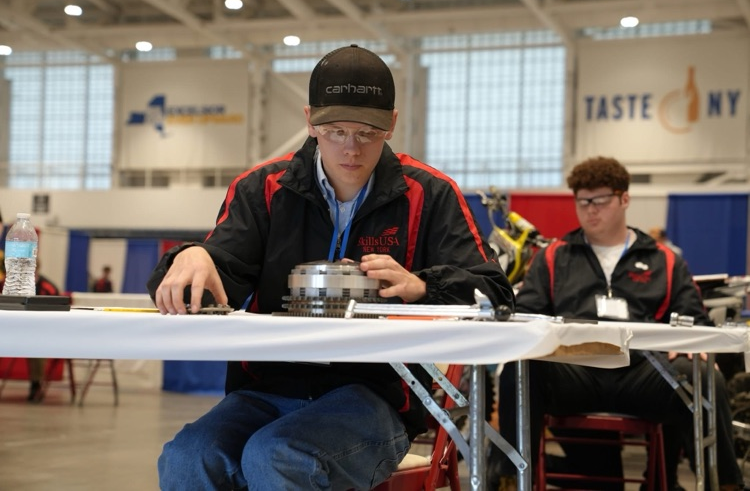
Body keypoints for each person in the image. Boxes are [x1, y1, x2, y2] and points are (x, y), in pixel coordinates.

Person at [147, 44, 514, 490]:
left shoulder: (430, 195)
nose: (351, 148)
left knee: (279, 456)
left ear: (392, 124)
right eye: (335, 130)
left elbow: (493, 291)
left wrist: (422, 286)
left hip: (375, 397)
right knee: (187, 457)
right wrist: (189, 258)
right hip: (267, 387)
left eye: (368, 132)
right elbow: (217, 273)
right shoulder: (262, 189)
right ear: (309, 120)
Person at [487, 156, 743, 491]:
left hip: (642, 374)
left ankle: (723, 484)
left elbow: (693, 316)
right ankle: (509, 482)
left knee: (704, 376)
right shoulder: (554, 257)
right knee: (520, 370)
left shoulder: (664, 260)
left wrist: (694, 346)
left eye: (600, 201)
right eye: (583, 202)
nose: (590, 210)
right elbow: (529, 313)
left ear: (624, 199)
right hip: (574, 372)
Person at [0, 266, 60, 402]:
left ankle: (36, 385)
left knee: (37, 348)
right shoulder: (6, 283)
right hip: (10, 329)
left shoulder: (48, 287)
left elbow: (56, 314)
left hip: (36, 332)